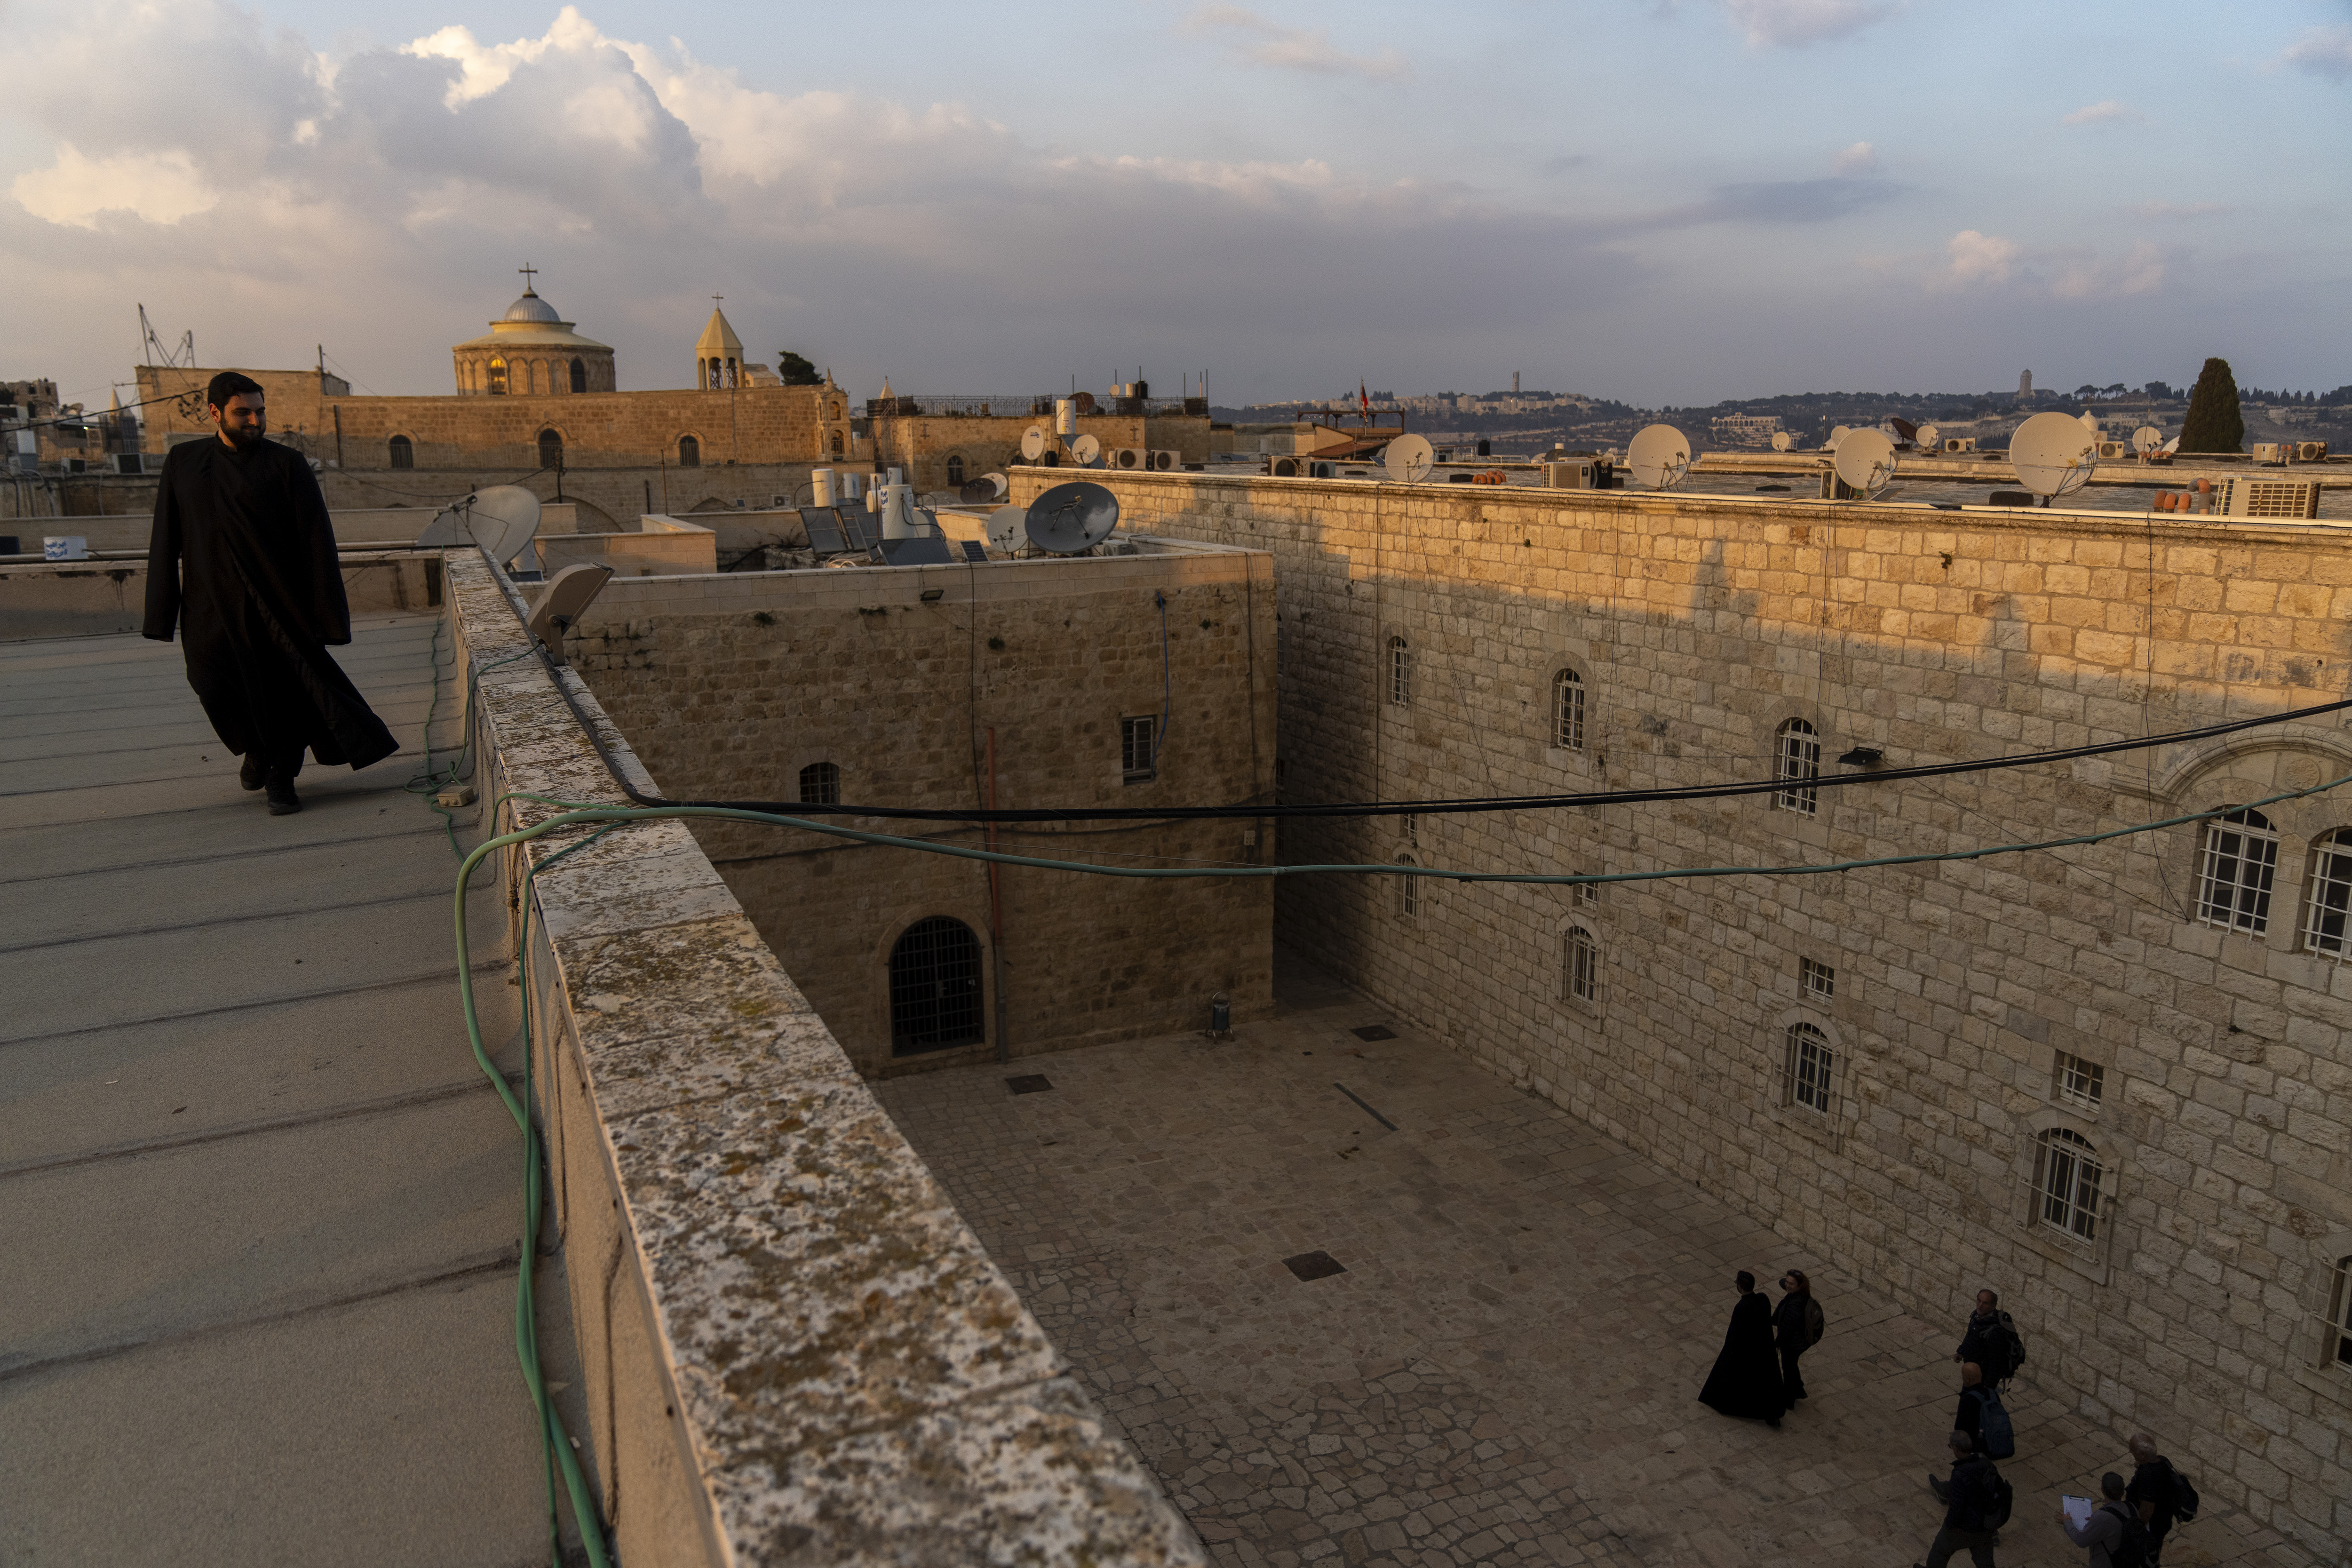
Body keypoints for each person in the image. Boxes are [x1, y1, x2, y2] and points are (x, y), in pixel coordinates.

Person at [144, 371, 396, 814]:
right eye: (244, 413)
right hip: (209, 605)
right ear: (215, 412)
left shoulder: (287, 465)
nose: (255, 421)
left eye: (260, 412)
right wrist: (160, 614)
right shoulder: (183, 462)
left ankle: (282, 775)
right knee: (208, 681)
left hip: (276, 602)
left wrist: (326, 617)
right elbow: (165, 539)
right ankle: (255, 750)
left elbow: (317, 543)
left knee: (282, 691)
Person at [1698, 1270, 1786, 1428]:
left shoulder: (1741, 1307)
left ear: (1740, 1287)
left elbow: (1735, 1333)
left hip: (1747, 1350)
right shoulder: (1763, 1299)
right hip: (1764, 1349)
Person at [1914, 1430, 2000, 1568]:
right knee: (1985, 1561)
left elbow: (1957, 1507)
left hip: (1965, 1528)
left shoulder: (1959, 1474)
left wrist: (1949, 1526)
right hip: (1985, 1526)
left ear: (1955, 1448)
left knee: (1940, 1550)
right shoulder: (1987, 1464)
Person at [1929, 1364, 1990, 1499]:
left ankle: (1948, 1492)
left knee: (1964, 1472)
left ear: (1967, 1380)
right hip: (1988, 1442)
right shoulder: (1991, 1394)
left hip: (1974, 1444)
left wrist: (1957, 1444)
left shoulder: (1968, 1399)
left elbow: (1960, 1427)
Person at [2058, 1473, 2140, 1568]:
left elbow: (2081, 1540)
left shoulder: (2103, 1517)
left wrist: (2067, 1522)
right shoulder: (2132, 1508)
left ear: (2102, 1490)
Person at [2125, 1434, 2181, 1566]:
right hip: (2164, 1519)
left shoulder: (2148, 1477)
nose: (2130, 1452)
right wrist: (2141, 1465)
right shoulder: (2162, 1461)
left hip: (2153, 1526)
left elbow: (2146, 1511)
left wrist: (2133, 1529)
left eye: (2132, 1450)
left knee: (2145, 1556)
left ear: (2143, 1454)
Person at [1772, 1268, 1820, 1406]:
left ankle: (1790, 1399)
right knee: (1792, 1365)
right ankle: (1798, 1387)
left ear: (1800, 1286)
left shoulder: (1795, 1306)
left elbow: (1787, 1330)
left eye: (1791, 1284)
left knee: (1788, 1368)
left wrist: (1778, 1343)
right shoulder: (1802, 1295)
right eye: (1787, 1282)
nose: (1787, 1286)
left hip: (1794, 1343)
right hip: (1800, 1340)